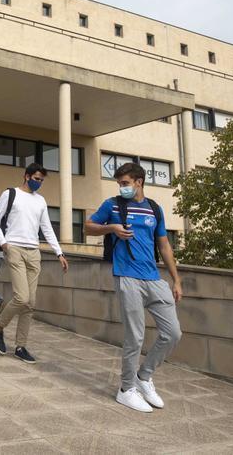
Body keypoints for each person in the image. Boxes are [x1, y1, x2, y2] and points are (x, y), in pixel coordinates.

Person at [84, 162, 183, 413]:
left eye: (125, 183)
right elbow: (88, 226)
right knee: (135, 337)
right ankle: (126, 389)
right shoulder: (113, 205)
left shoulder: (154, 209)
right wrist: (111, 228)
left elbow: (164, 246)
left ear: (139, 182)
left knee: (173, 333)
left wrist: (176, 279)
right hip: (126, 276)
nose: (122, 187)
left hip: (153, 278)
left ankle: (144, 376)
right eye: (119, 183)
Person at [0, 163, 69, 363]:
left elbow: (47, 228)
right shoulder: (10, 194)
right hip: (14, 248)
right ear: (27, 176)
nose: (38, 183)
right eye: (36, 178)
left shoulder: (40, 201)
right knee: (22, 297)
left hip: (34, 252)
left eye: (41, 180)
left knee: (30, 303)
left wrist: (59, 252)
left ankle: (20, 346)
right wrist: (4, 244)